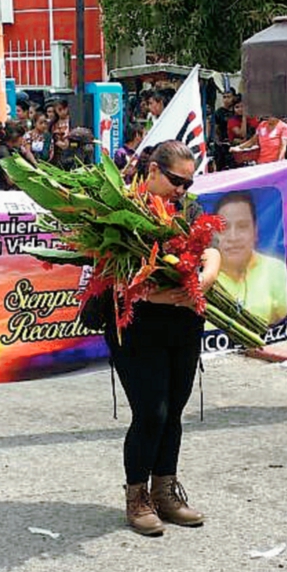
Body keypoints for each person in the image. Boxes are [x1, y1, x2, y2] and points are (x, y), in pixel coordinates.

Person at [105, 140, 220, 537]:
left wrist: (202, 280)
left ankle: (166, 492)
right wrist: (156, 293)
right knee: (151, 411)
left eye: (188, 183)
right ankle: (137, 498)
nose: (182, 190)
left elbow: (213, 251)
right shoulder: (119, 206)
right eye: (175, 181)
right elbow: (111, 273)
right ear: (152, 171)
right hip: (137, 324)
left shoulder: (189, 208)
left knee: (174, 410)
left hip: (184, 322)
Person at [209, 192, 287, 328]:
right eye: (224, 227)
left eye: (242, 226)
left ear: (255, 232)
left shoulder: (276, 269)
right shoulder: (201, 274)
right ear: (213, 234)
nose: (233, 237)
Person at [0, 120, 34, 190]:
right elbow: (10, 180)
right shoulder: (2, 152)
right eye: (22, 137)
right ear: (15, 137)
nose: (23, 140)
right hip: (3, 193)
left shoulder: (12, 150)